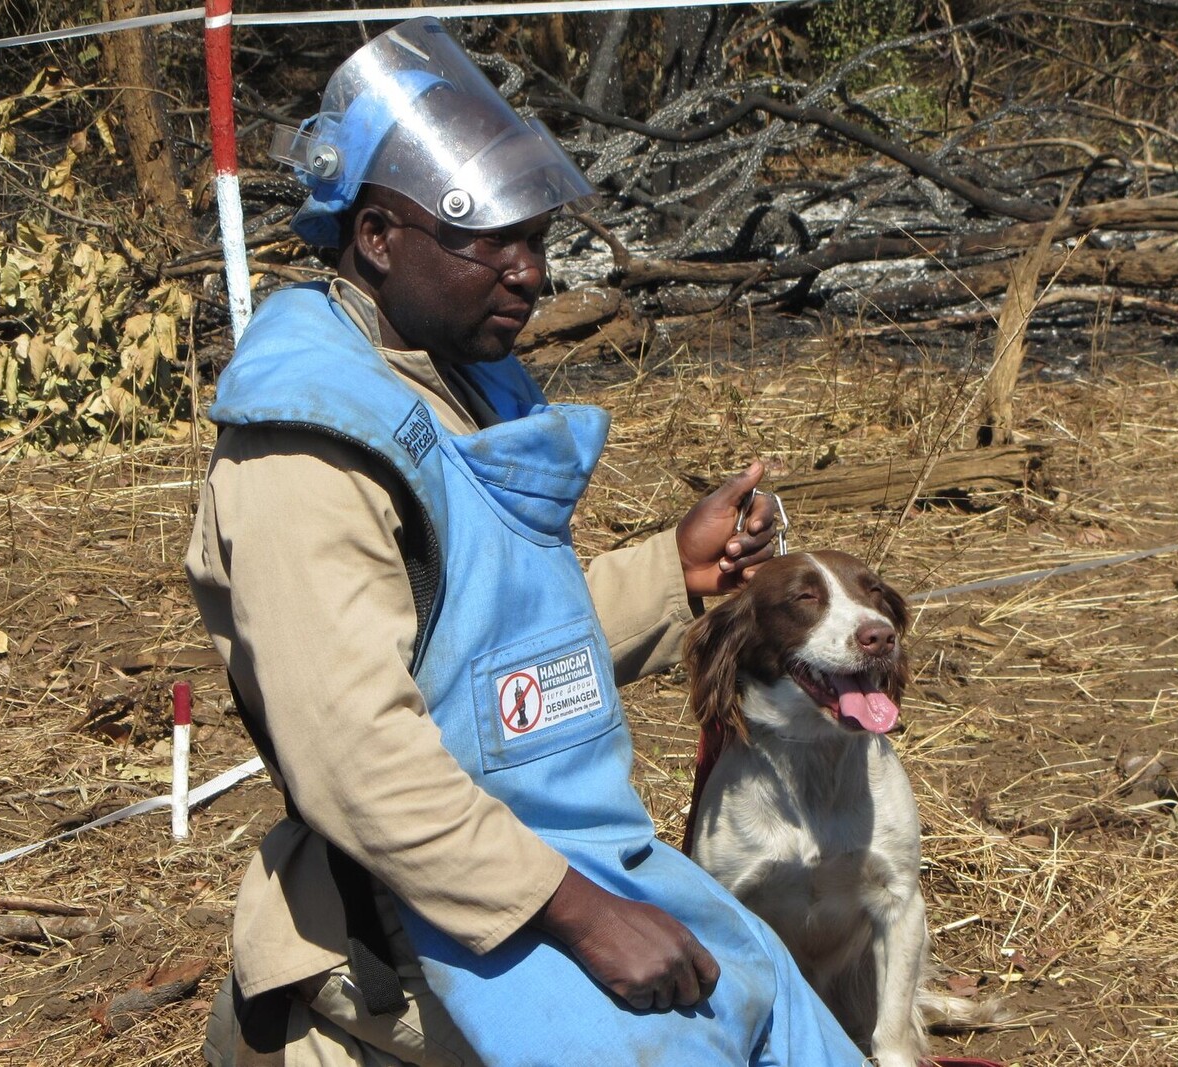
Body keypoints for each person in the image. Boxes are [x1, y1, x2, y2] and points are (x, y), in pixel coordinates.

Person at [187, 18, 865, 1067]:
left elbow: (489, 662)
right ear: (377, 236)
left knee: (785, 1019)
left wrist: (666, 575)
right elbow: (359, 757)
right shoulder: (309, 449)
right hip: (428, 924)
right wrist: (585, 916)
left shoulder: (450, 373)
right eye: (488, 240)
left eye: (537, 238)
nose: (529, 272)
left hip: (562, 855)